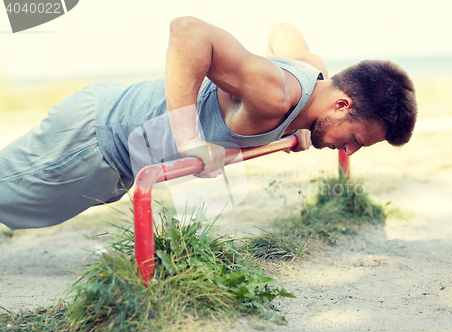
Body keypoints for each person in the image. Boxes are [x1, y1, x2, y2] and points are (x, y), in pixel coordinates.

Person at [0, 17, 417, 230]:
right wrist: (189, 138)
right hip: (90, 144)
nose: (349, 151)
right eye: (357, 139)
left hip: (108, 139)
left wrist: (304, 125)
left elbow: (282, 29)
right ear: (343, 105)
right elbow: (188, 31)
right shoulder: (275, 93)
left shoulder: (314, 73)